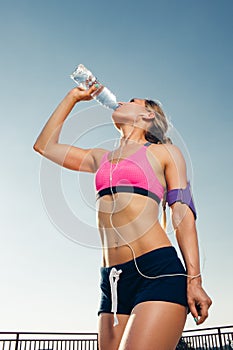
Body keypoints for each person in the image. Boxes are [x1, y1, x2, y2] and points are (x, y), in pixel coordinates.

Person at [33, 85, 212, 350]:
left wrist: (194, 280)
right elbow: (45, 146)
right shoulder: (99, 158)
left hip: (157, 272)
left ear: (148, 116)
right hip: (112, 280)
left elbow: (183, 215)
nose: (122, 102)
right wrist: (73, 97)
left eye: (132, 100)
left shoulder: (165, 153)